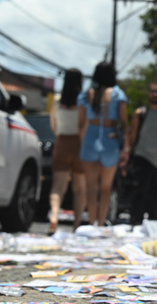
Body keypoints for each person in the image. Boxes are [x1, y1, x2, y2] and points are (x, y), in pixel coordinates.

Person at [79, 62, 130, 226]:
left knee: (91, 187)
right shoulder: (117, 94)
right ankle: (101, 223)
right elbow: (123, 123)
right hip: (110, 139)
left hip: (90, 139)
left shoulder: (86, 94)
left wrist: (83, 142)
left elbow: (80, 124)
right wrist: (126, 147)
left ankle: (92, 220)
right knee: (106, 187)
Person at [126, 80, 157, 225]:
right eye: (152, 91)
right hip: (142, 156)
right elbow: (133, 136)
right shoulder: (140, 113)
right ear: (148, 93)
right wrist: (127, 152)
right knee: (140, 190)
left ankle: (153, 224)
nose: (155, 94)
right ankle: (136, 222)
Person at [48, 69, 86, 235]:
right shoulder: (83, 102)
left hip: (62, 142)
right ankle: (76, 224)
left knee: (58, 186)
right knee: (79, 188)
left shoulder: (57, 102)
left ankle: (54, 215)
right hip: (78, 143)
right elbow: (83, 125)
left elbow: (53, 125)